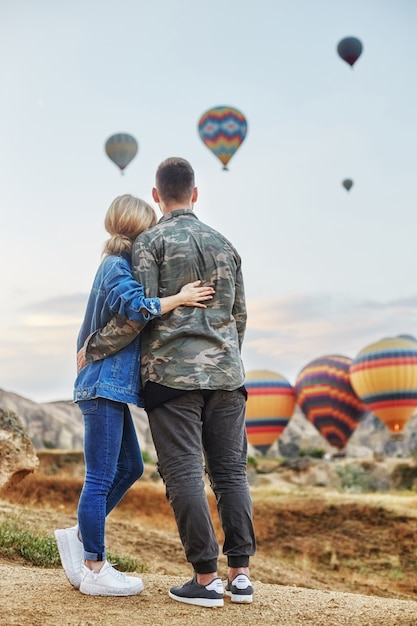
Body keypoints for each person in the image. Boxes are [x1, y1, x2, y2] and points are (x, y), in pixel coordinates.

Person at [80, 158, 256, 608]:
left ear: (157, 196)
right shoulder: (226, 245)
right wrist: (224, 358)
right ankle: (240, 576)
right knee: (231, 474)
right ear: (195, 193)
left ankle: (205, 579)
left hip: (172, 379)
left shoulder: (148, 243)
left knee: (183, 476)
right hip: (227, 376)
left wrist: (93, 347)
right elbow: (239, 319)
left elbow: (135, 316)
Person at [54, 193, 214, 597]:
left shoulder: (118, 264)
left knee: (130, 468)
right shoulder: (114, 266)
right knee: (102, 475)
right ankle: (94, 565)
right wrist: (181, 297)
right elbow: (137, 307)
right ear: (139, 228)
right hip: (101, 386)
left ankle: (79, 535)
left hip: (109, 387)